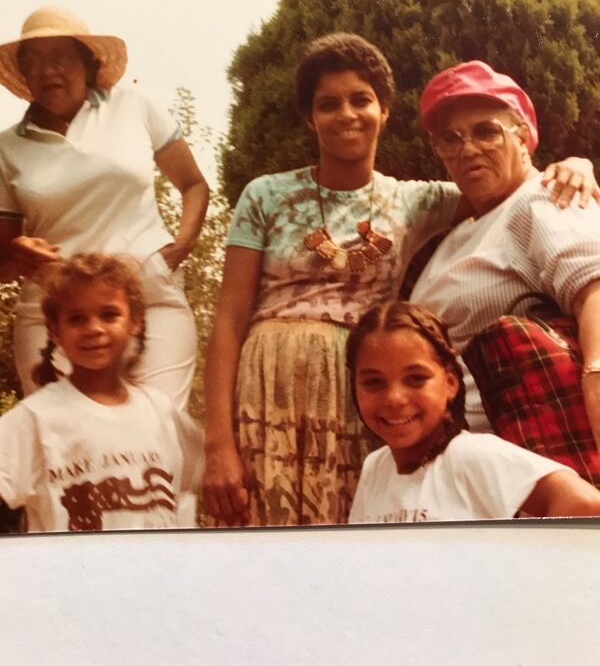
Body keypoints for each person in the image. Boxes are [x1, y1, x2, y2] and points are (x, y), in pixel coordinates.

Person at [202, 32, 595, 528]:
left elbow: (526, 202)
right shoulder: (267, 195)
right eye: (328, 104)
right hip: (276, 388)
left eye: (360, 99)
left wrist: (571, 168)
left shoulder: (419, 201)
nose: (346, 114)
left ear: (384, 110)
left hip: (368, 400)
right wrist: (217, 442)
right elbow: (229, 317)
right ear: (309, 117)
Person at [0, 7, 209, 411]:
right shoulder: (7, 148)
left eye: (60, 56)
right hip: (56, 314)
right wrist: (16, 254)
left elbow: (194, 185)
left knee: (156, 427)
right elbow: (3, 261)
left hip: (148, 293)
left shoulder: (134, 106)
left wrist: (179, 248)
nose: (48, 70)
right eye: (35, 60)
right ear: (23, 73)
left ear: (87, 62)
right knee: (66, 443)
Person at [410, 60, 600, 445]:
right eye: (450, 138)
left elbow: (594, 290)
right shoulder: (459, 230)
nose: (468, 149)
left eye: (486, 131)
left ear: (523, 135)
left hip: (526, 463)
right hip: (456, 463)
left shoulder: (545, 197)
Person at [0, 254, 204, 533]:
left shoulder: (160, 411)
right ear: (55, 332)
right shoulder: (36, 417)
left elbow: (202, 480)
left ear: (136, 322)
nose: (93, 329)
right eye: (76, 319)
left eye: (109, 315)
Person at [347, 300, 600, 523]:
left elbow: (585, 504)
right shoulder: (375, 467)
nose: (395, 398)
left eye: (415, 378)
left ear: (450, 383)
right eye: (373, 382)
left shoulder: (471, 454)